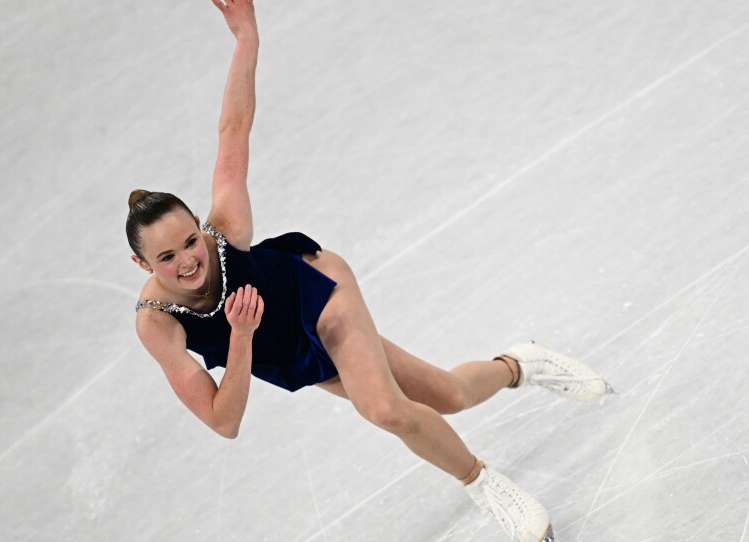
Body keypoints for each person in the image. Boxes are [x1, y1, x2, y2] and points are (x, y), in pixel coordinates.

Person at [127, 1, 612, 540]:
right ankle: (521, 363)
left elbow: (233, 128)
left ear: (199, 224)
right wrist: (241, 337)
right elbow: (224, 420)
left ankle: (487, 486)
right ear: (141, 264)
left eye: (189, 241)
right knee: (448, 394)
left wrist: (247, 39)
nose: (188, 260)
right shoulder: (158, 325)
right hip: (287, 352)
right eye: (166, 258)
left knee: (384, 408)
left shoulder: (227, 229)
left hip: (318, 294)